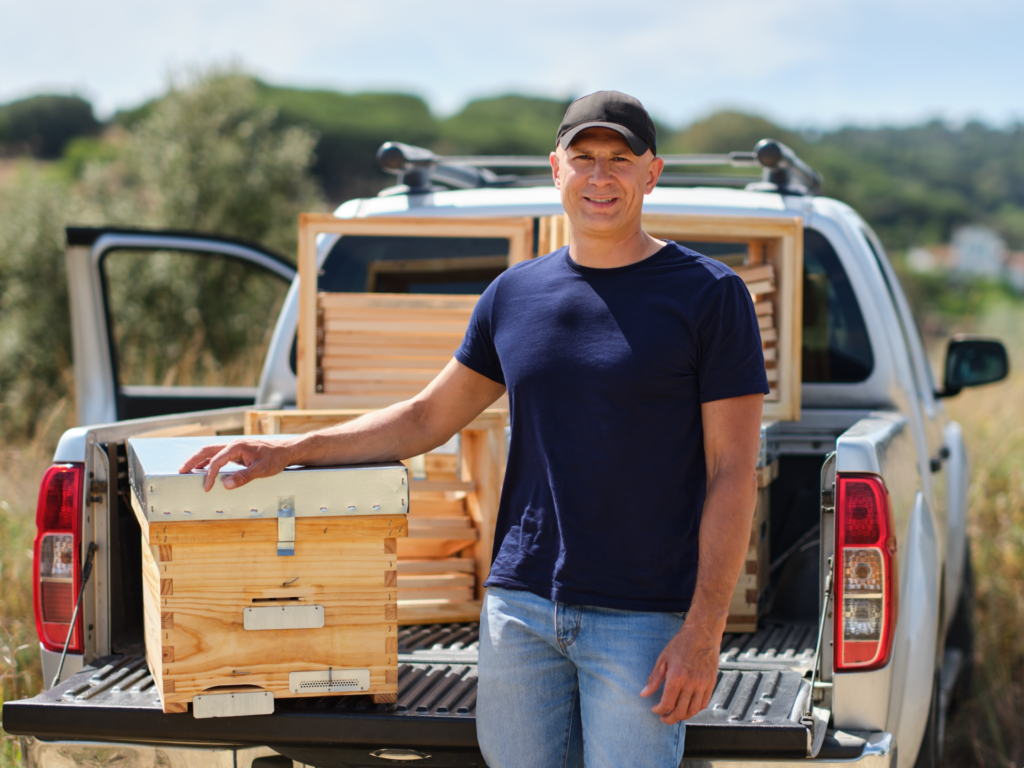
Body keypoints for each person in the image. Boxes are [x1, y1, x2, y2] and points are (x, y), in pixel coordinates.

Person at [179, 90, 768, 768]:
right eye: (583, 159)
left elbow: (732, 472)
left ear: (651, 173)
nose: (600, 178)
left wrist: (704, 632)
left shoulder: (709, 296)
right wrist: (290, 448)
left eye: (619, 160)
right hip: (520, 613)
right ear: (556, 169)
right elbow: (426, 417)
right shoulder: (513, 296)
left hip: (641, 619)